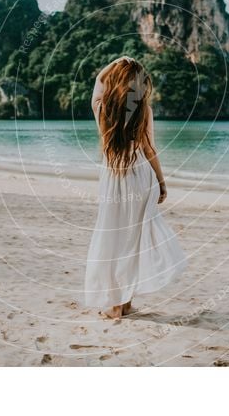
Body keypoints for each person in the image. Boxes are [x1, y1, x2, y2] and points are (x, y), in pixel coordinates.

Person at [84, 56, 187, 319]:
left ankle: (118, 306)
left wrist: (117, 61)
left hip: (114, 181)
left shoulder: (103, 108)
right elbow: (150, 149)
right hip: (141, 179)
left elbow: (98, 80)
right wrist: (161, 182)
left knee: (113, 240)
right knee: (132, 241)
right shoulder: (143, 110)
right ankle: (125, 303)